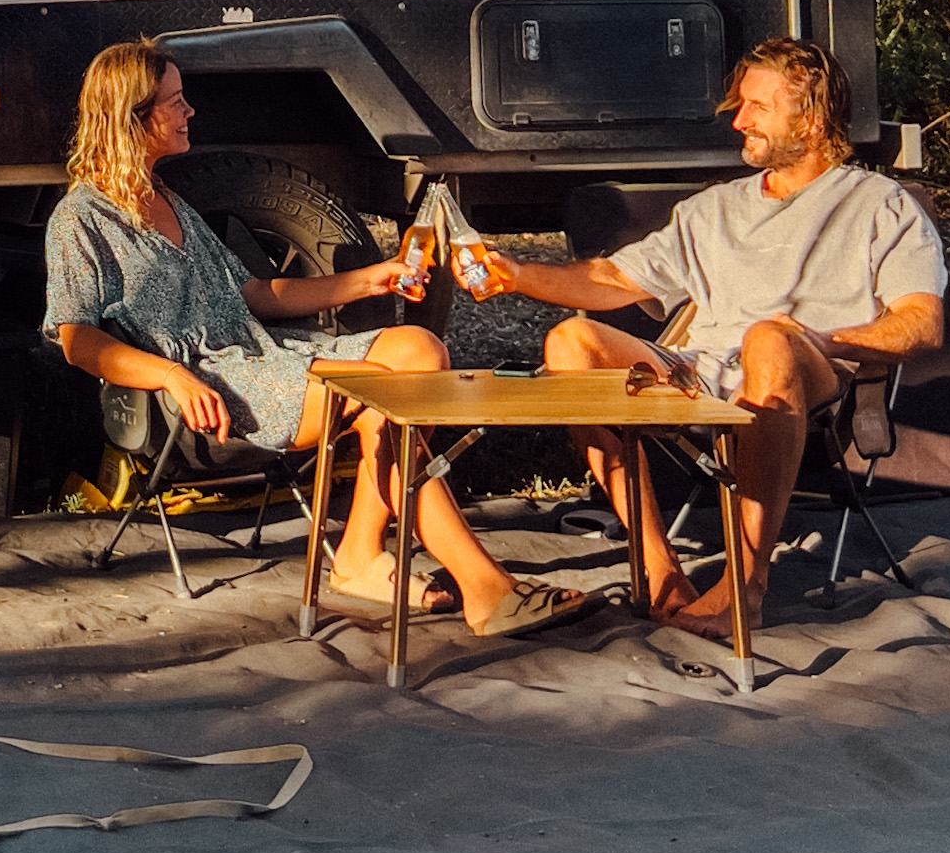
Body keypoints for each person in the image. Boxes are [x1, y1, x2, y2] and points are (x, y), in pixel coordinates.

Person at [43, 38, 591, 641]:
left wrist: (368, 280)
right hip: (209, 389)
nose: (190, 111)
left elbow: (253, 295)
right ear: (132, 116)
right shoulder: (81, 219)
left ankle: (360, 554)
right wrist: (172, 374)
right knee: (391, 400)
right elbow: (77, 338)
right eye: (174, 101)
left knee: (419, 352)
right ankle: (482, 586)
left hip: (264, 358)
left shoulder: (168, 199)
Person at [463, 37, 946, 635]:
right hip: (702, 372)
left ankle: (745, 586)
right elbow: (612, 278)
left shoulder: (879, 204)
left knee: (768, 339)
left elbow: (921, 322)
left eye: (757, 108)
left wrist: (823, 340)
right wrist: (517, 276)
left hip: (810, 365)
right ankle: (657, 563)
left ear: (812, 116)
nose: (738, 120)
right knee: (571, 343)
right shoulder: (713, 209)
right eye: (740, 105)